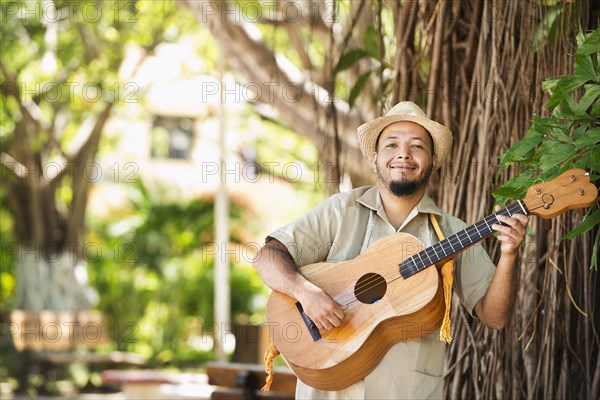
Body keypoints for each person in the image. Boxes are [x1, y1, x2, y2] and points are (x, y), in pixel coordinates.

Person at [253, 101, 528, 399]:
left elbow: (495, 316)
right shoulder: (339, 212)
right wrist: (305, 293)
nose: (403, 154)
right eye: (392, 144)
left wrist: (510, 253)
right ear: (374, 158)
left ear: (434, 160)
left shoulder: (454, 233)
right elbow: (267, 257)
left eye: (417, 146)